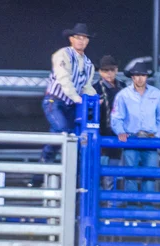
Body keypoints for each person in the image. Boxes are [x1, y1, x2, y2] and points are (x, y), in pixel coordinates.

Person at [42, 23, 96, 164]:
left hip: (71, 105)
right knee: (63, 131)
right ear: (71, 39)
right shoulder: (62, 54)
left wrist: (94, 99)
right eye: (78, 37)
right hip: (55, 101)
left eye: (84, 38)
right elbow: (63, 78)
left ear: (87, 41)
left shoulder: (89, 64)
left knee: (61, 136)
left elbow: (87, 86)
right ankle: (45, 173)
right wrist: (76, 98)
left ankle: (41, 175)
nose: (81, 40)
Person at [111, 62, 160, 194]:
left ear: (147, 77)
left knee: (150, 175)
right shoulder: (123, 95)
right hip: (131, 139)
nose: (140, 78)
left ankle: (147, 208)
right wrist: (121, 132)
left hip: (150, 139)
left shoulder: (156, 94)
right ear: (132, 77)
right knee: (131, 176)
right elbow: (116, 117)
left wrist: (158, 135)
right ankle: (132, 208)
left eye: (142, 75)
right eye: (136, 75)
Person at [93, 55, 126, 191]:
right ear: (100, 72)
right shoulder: (95, 89)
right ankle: (106, 200)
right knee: (99, 169)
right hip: (101, 135)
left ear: (116, 70)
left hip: (117, 135)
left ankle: (111, 201)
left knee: (113, 170)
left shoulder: (123, 87)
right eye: (106, 70)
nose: (109, 73)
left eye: (111, 70)